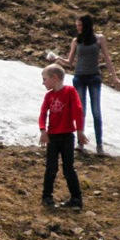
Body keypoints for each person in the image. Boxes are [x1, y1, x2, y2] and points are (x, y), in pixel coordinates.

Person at [57, 14, 120, 155]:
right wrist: (57, 59)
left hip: (94, 78)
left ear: (87, 26)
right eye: (77, 26)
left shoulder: (99, 39)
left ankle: (99, 145)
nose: (78, 28)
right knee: (81, 112)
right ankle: (80, 143)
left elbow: (107, 58)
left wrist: (115, 78)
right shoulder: (76, 41)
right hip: (79, 78)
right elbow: (69, 62)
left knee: (96, 112)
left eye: (80, 26)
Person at [39, 64, 86, 210]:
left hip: (67, 137)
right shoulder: (49, 96)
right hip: (52, 137)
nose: (43, 83)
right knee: (51, 168)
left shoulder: (70, 91)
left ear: (55, 78)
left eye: (45, 79)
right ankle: (47, 197)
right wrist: (43, 130)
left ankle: (76, 198)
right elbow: (42, 114)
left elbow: (78, 111)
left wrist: (79, 131)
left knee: (68, 168)